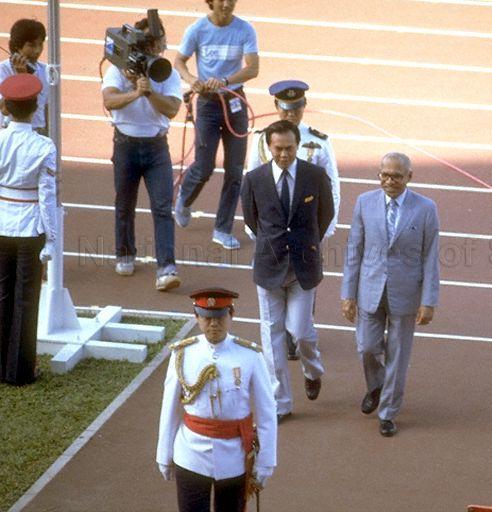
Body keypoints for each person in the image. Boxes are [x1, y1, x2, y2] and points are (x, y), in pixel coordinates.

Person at [341, 152, 440, 437]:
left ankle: (387, 413)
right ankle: (377, 385)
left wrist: (428, 300)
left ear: (409, 177)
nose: (389, 181)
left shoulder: (426, 208)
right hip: (369, 289)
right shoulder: (364, 202)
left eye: (396, 176)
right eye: (384, 175)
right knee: (367, 346)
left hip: (406, 293)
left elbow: (430, 256)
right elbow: (354, 250)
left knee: (398, 355)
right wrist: (348, 294)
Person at [240, 119, 333, 422]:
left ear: (298, 146)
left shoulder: (315, 176)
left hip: (303, 268)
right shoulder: (254, 179)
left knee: (300, 331)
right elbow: (253, 220)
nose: (284, 154)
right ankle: (280, 402)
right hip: (269, 268)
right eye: (278, 148)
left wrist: (306, 244)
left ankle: (312, 370)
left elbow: (325, 214)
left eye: (289, 148)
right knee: (272, 336)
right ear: (268, 147)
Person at [156, 287, 277, 512]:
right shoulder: (182, 353)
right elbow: (169, 407)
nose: (214, 324)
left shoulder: (250, 356)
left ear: (231, 314)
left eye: (220, 317)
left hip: (234, 457)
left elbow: (267, 411)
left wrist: (266, 461)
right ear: (196, 316)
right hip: (190, 453)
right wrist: (164, 453)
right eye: (206, 317)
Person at [246, 79, 341, 361]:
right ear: (276, 107)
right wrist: (257, 232)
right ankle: (288, 336)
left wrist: (324, 230)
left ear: (304, 106)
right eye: (286, 108)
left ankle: (299, 331)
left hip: (306, 226)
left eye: (296, 108)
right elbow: (251, 182)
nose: (291, 114)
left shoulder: (318, 141)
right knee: (275, 280)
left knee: (304, 279)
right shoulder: (262, 139)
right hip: (273, 229)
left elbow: (332, 186)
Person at [101, 16, 182, 292]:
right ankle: (125, 253)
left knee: (162, 207)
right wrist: (135, 92)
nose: (155, 48)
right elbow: (109, 100)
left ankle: (167, 268)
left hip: (157, 147)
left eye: (159, 42)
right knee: (124, 203)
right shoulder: (117, 69)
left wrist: (148, 94)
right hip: (125, 145)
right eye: (149, 42)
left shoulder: (168, 73)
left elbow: (172, 108)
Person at [173, 0, 259, 250]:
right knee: (204, 166)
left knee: (235, 170)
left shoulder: (245, 29)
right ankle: (184, 198)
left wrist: (225, 80)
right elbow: (179, 61)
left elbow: (253, 68)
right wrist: (192, 79)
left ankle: (222, 229)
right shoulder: (197, 29)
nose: (227, 4)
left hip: (235, 101)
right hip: (208, 104)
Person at [0, 74, 57, 385]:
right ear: (36, 108)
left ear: (6, 108)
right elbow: (47, 197)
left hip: (2, 223)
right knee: (26, 299)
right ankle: (20, 371)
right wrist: (52, 239)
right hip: (29, 227)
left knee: (2, 294)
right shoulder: (44, 146)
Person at [0, 19, 49, 135]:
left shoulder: (44, 70)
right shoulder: (3, 70)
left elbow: (47, 107)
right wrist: (21, 77)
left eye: (40, 44)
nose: (37, 51)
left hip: (39, 132)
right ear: (17, 46)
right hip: (13, 134)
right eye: (31, 45)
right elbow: (5, 110)